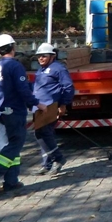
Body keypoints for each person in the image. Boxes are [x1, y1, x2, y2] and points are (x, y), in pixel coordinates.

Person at [0, 34, 46, 194]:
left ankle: (11, 181)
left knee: (8, 148)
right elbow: (23, 90)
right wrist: (36, 104)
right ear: (13, 48)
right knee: (14, 146)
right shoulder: (15, 66)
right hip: (14, 111)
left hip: (2, 111)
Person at [32, 42, 74, 175]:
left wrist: (63, 104)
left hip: (50, 106)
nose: (41, 58)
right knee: (45, 134)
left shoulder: (58, 68)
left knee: (42, 133)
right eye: (39, 56)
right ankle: (47, 164)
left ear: (52, 56)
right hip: (39, 106)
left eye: (44, 56)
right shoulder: (41, 70)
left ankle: (58, 158)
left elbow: (68, 87)